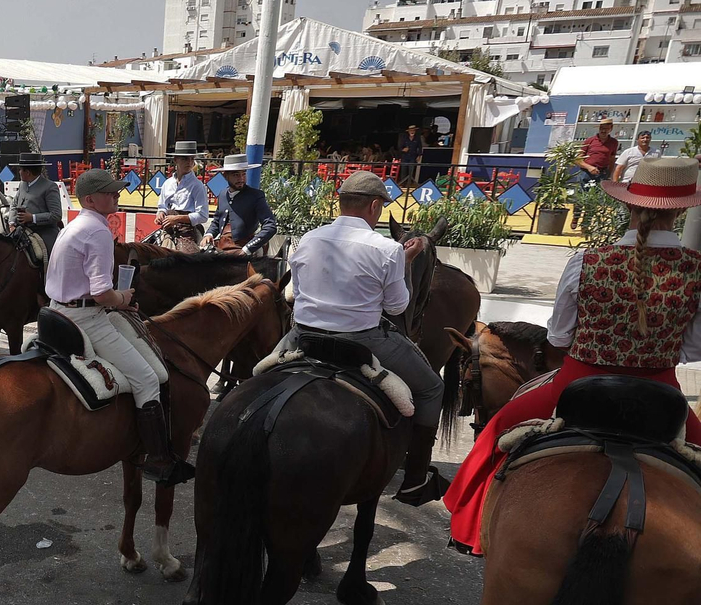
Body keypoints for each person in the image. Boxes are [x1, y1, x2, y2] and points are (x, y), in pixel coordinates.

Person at [446, 155, 701, 553]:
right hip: (661, 392)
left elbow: (560, 337)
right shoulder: (696, 269)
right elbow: (692, 348)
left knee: (495, 433)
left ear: (628, 204)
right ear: (683, 209)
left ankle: (469, 529)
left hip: (578, 382)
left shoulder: (586, 261)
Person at [279, 171, 446, 505]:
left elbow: (294, 293)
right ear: (374, 206)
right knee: (431, 388)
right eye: (380, 208)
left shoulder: (309, 238)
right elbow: (398, 305)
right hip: (363, 339)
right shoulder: (387, 249)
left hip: (303, 336)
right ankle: (414, 479)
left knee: (257, 374)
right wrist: (405, 262)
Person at [47, 168, 177, 482]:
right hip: (86, 318)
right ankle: (159, 459)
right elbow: (102, 293)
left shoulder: (75, 224)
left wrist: (117, 301)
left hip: (55, 311)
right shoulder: (98, 231)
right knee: (148, 378)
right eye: (110, 192)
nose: (116, 195)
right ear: (90, 199)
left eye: (116, 191)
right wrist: (123, 297)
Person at [203, 155, 277, 255]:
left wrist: (247, 249)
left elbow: (270, 225)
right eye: (236, 175)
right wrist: (209, 234)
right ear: (225, 176)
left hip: (245, 246)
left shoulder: (256, 195)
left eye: (243, 174)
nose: (241, 179)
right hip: (222, 244)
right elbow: (217, 221)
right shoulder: (222, 194)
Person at [154, 141, 210, 244]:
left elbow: (203, 216)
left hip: (188, 231)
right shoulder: (167, 183)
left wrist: (177, 218)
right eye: (185, 159)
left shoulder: (197, 186)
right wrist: (161, 214)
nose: (189, 162)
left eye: (192, 159)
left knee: (186, 257)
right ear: (176, 160)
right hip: (167, 228)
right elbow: (162, 206)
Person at [11, 152, 64, 256]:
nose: (19, 171)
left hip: (44, 230)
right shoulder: (22, 184)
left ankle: (48, 271)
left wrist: (32, 217)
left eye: (21, 169)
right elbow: (14, 204)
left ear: (28, 172)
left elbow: (56, 215)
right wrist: (11, 223)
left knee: (46, 255)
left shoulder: (50, 187)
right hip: (21, 229)